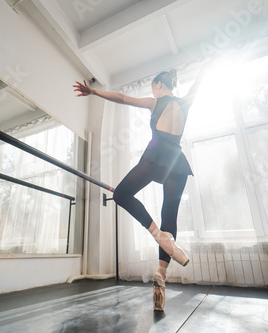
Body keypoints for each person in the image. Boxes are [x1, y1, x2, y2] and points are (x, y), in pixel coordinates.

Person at [73, 62, 209, 311]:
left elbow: (122, 98)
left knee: (122, 194)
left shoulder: (156, 102)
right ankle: (162, 273)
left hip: (156, 154)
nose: (154, 91)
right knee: (169, 215)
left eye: (154, 87)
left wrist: (94, 92)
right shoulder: (186, 101)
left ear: (159, 85)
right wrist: (207, 66)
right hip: (177, 161)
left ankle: (159, 237)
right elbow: (200, 83)